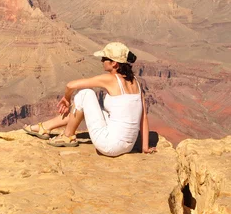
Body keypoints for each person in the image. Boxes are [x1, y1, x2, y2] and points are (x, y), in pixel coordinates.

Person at [23, 42, 156, 156]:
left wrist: (67, 99)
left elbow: (70, 85)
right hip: (128, 146)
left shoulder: (110, 79)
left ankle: (67, 135)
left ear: (114, 63)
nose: (102, 61)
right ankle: (45, 127)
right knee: (90, 107)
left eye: (104, 58)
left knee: (85, 94)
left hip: (109, 145)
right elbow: (143, 117)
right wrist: (145, 147)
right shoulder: (136, 83)